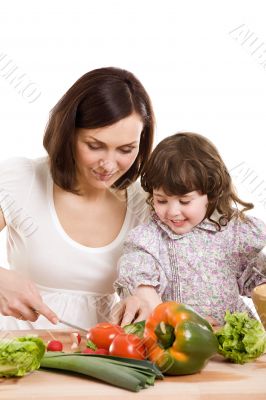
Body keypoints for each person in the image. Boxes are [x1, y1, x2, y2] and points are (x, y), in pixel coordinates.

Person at [0, 66, 156, 330]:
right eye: (95, 146)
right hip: (16, 357)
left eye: (126, 149)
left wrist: (145, 298)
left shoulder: (146, 203)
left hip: (98, 360)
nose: (108, 164)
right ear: (68, 133)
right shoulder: (22, 179)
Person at [113, 132, 266, 326]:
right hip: (181, 342)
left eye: (184, 201)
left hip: (232, 338)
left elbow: (256, 279)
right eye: (161, 200)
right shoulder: (149, 239)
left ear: (210, 194)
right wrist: (177, 322)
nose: (172, 211)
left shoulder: (233, 233)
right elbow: (141, 283)